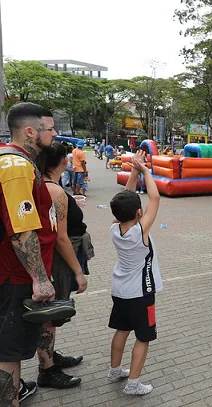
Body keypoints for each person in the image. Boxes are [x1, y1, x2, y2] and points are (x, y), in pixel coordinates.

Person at [0, 103, 64, 406]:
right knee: (9, 353)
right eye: (49, 128)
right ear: (30, 132)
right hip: (16, 277)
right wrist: (40, 279)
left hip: (14, 273)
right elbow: (22, 230)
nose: (54, 134)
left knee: (11, 350)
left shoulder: (18, 162)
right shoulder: (17, 167)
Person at [108, 150, 163, 396]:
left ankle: (115, 370)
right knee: (143, 337)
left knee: (122, 329)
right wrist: (146, 171)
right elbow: (156, 196)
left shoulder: (114, 228)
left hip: (119, 290)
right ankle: (133, 382)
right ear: (139, 213)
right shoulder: (139, 231)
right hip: (140, 293)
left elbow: (126, 197)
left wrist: (133, 170)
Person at [37, 142, 93, 385]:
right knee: (49, 314)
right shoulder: (54, 190)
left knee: (51, 312)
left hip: (57, 256)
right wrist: (78, 272)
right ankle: (46, 369)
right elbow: (60, 237)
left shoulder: (51, 185)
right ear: (63, 160)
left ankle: (49, 358)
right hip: (58, 259)